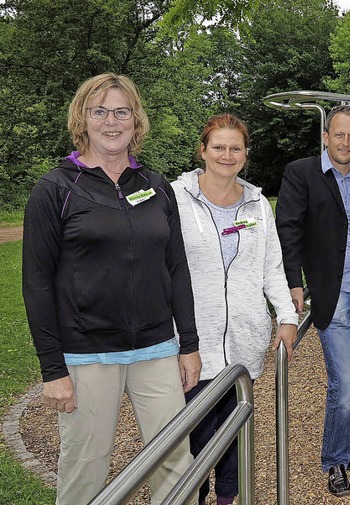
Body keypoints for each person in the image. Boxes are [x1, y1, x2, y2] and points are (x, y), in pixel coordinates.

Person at [22, 73, 201, 505]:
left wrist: (188, 343)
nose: (111, 121)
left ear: (135, 120)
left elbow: (176, 266)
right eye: (99, 111)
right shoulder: (55, 188)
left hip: (156, 347)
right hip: (86, 353)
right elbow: (37, 284)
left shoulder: (156, 186)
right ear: (82, 119)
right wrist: (53, 370)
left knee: (176, 462)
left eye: (121, 111)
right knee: (86, 467)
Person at [172, 113, 298, 505]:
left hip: (243, 342)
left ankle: (231, 497)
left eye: (235, 148)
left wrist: (287, 316)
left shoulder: (258, 205)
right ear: (203, 150)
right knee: (191, 439)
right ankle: (193, 496)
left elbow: (271, 267)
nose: (227, 155)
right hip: (193, 342)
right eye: (219, 147)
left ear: (245, 154)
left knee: (235, 434)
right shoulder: (174, 199)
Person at [276, 105, 350, 497]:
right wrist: (294, 282)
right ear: (326, 137)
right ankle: (334, 460)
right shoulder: (302, 173)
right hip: (332, 292)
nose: (345, 143)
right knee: (343, 383)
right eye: (338, 135)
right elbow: (288, 231)